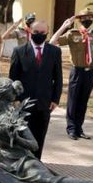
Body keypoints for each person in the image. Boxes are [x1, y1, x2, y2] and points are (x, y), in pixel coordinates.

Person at [9, 20, 63, 159]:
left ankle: (37, 162)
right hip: (23, 103)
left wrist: (55, 99)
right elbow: (13, 78)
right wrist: (14, 100)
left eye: (43, 33)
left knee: (40, 135)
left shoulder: (54, 51)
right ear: (30, 32)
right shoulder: (19, 51)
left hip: (44, 103)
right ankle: (23, 162)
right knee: (23, 136)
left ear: (47, 33)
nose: (39, 35)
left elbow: (58, 77)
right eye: (36, 32)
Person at [50, 8, 93, 140]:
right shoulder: (72, 34)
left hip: (89, 72)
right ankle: (72, 129)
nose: (87, 20)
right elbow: (52, 42)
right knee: (73, 100)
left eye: (90, 17)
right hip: (77, 71)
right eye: (85, 18)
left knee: (83, 102)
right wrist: (64, 26)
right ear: (80, 19)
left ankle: (79, 128)